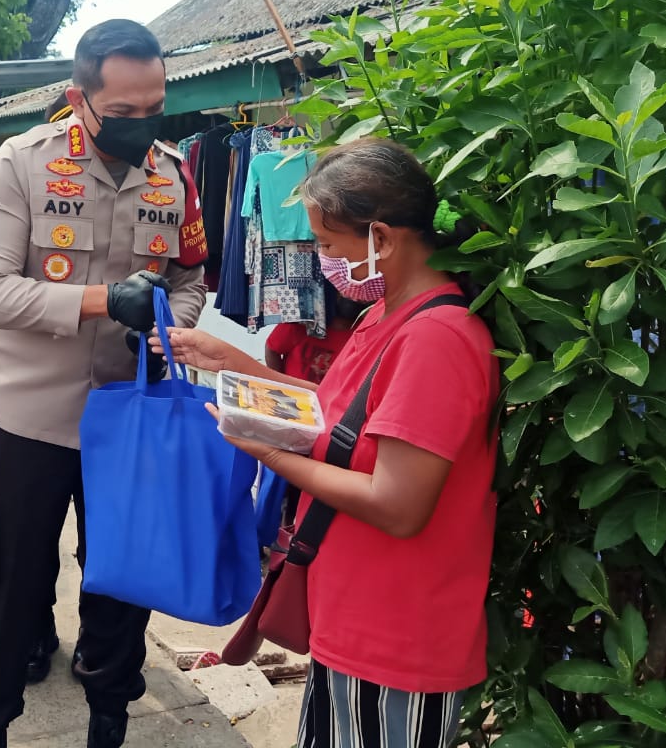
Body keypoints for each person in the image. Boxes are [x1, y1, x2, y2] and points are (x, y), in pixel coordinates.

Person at [160, 138, 498, 748]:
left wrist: (268, 453)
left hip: (397, 631)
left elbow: (398, 503)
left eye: (326, 245)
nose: (321, 261)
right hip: (353, 615)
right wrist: (236, 365)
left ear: (383, 240)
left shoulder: (437, 341)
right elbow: (341, 419)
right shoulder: (387, 315)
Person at [0, 19, 209, 748]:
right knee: (10, 592)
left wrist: (167, 323)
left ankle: (108, 722)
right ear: (79, 97)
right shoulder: (23, 163)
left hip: (131, 424)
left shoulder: (173, 173)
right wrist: (102, 302)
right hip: (31, 422)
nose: (142, 125)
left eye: (154, 107)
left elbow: (191, 277)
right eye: (124, 113)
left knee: (122, 587)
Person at [264, 284, 362, 384]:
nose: (355, 299)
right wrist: (282, 385)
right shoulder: (304, 322)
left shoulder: (362, 333)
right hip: (294, 394)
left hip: (329, 398)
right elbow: (272, 349)